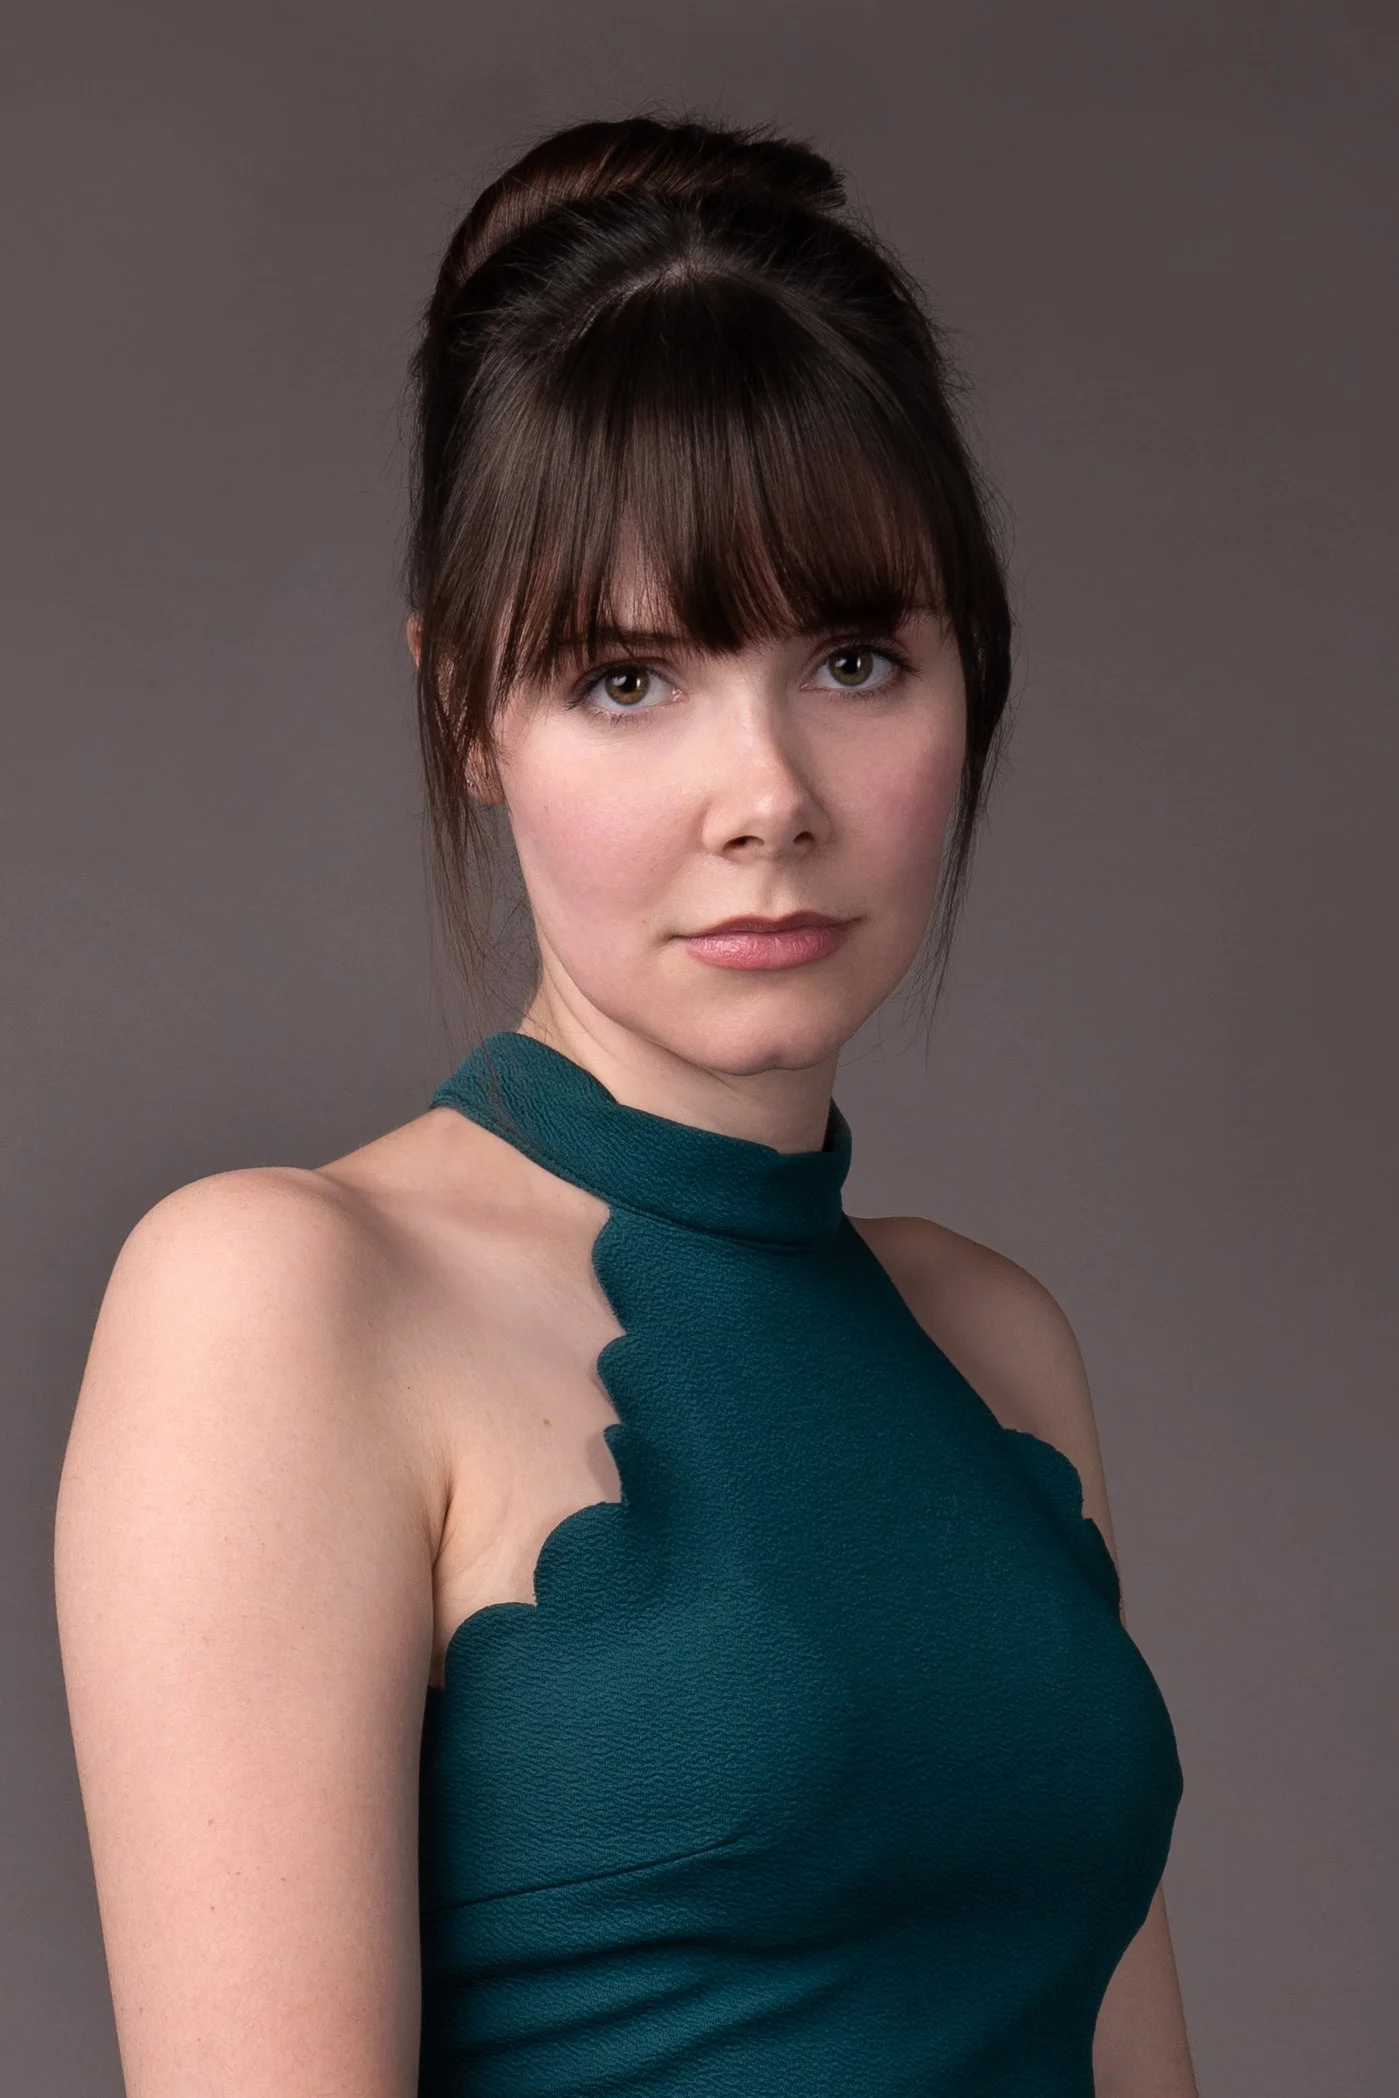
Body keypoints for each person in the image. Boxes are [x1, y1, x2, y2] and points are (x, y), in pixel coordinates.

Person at [55, 113, 1196, 2097]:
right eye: (627, 677)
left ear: (973, 674)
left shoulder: (995, 1343)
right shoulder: (278, 1301)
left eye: (855, 655)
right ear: (466, 713)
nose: (768, 795)